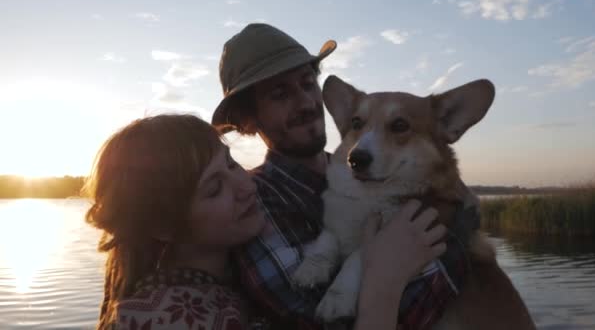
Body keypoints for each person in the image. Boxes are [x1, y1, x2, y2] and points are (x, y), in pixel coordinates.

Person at [211, 23, 479, 329]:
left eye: (308, 83)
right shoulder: (255, 202)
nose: (306, 103)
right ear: (248, 119)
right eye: (280, 94)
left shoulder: (383, 177)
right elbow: (327, 321)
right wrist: (458, 235)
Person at [84, 114, 447, 329]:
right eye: (214, 189)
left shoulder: (231, 278)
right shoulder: (167, 318)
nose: (244, 185)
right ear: (163, 226)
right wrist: (384, 280)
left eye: (230, 163)